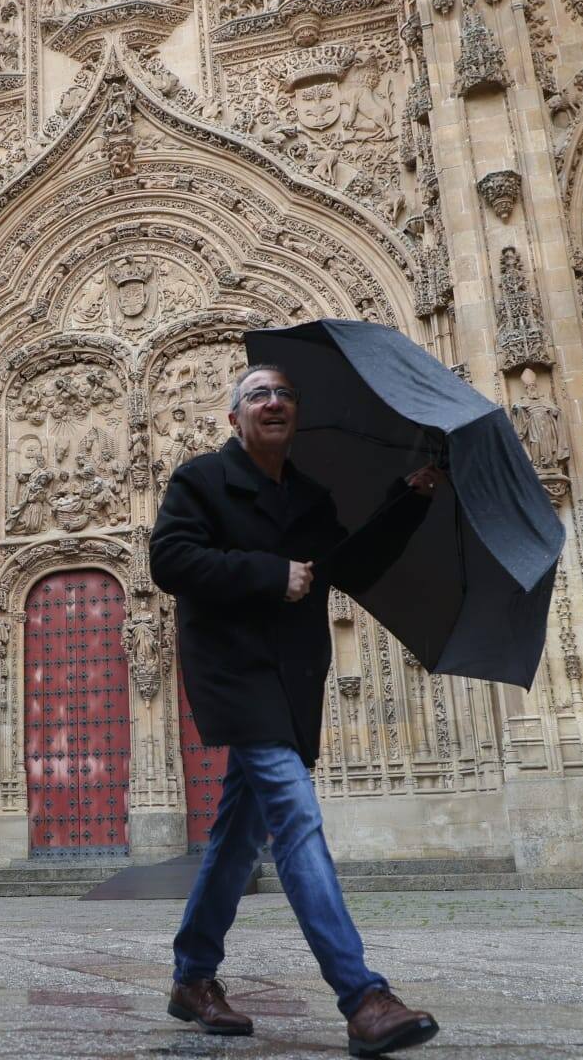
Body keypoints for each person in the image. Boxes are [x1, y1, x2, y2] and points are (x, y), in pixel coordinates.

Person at [150, 363, 441, 1056]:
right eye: (258, 394)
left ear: (295, 414)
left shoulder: (309, 495)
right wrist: (268, 573)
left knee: (237, 836)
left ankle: (193, 976)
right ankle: (362, 995)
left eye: (284, 393)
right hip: (235, 674)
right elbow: (170, 560)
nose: (273, 402)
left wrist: (410, 498)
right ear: (234, 418)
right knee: (296, 815)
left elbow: (350, 566)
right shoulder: (200, 481)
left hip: (293, 676)